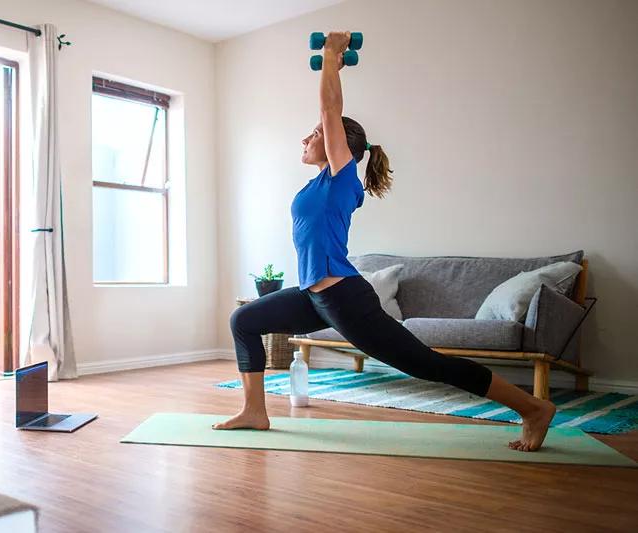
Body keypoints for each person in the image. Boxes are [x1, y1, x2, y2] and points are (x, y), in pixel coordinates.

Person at [213, 32, 556, 452]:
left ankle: (533, 408)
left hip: (344, 298)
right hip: (315, 295)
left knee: (427, 365)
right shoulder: (320, 182)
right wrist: (333, 67)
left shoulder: (342, 180)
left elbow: (330, 108)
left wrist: (330, 56)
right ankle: (254, 411)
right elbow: (329, 113)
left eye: (315, 134)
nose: (305, 139)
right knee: (243, 321)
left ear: (340, 145)